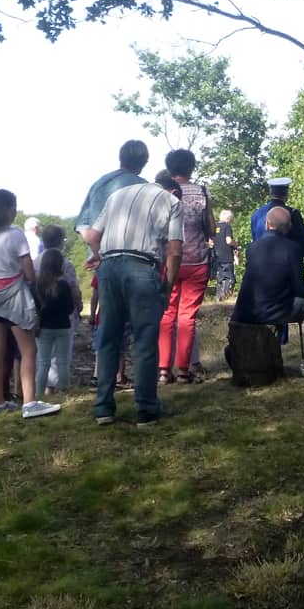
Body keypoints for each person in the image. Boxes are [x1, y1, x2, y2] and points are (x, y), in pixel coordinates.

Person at [85, 169, 185, 427]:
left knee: (109, 338)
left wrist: (99, 256)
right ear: (172, 190)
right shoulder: (172, 202)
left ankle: (103, 409)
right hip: (142, 268)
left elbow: (93, 236)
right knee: (144, 341)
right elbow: (174, 251)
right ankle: (146, 409)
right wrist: (167, 285)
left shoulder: (118, 194)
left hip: (109, 268)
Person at [0, 189, 61, 419]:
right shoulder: (16, 234)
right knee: (28, 349)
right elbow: (29, 273)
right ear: (7, 210)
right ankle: (29, 402)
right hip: (14, 298)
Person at [232, 207, 304, 372]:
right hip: (275, 310)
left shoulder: (252, 247)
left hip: (247, 311)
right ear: (288, 227)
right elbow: (299, 289)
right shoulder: (293, 248)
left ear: (266, 224)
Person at [158, 149, 213, 384]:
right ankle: (183, 369)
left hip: (167, 260)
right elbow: (210, 227)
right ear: (192, 167)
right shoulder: (201, 192)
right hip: (196, 260)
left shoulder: (160, 192)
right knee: (187, 316)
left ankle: (162, 369)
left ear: (169, 168)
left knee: (166, 313)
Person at [75, 139, 152, 237]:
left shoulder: (99, 184)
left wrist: (96, 250)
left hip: (98, 249)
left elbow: (83, 227)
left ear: (120, 158)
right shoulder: (147, 189)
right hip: (133, 250)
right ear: (144, 162)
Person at [35, 248, 82, 396]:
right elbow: (69, 308)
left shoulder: (38, 285)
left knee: (43, 363)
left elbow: (35, 307)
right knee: (62, 361)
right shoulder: (64, 285)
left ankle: (38, 394)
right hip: (63, 327)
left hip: (44, 328)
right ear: (60, 265)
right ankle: (64, 392)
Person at [250, 178, 304, 266]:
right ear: (286, 194)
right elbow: (302, 238)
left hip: (261, 263)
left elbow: (255, 238)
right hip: (287, 264)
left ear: (271, 193)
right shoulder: (291, 213)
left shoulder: (257, 214)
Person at [212, 208, 239, 301]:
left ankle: (219, 298)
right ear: (228, 219)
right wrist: (236, 244)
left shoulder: (214, 226)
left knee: (219, 278)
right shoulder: (227, 226)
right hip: (227, 257)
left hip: (216, 257)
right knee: (229, 278)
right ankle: (226, 298)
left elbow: (211, 242)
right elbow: (228, 241)